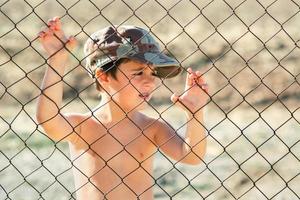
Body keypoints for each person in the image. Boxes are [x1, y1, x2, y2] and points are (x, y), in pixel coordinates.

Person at [36, 16, 209, 200]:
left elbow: (191, 156)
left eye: (153, 72)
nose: (149, 81)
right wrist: (57, 60)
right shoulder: (83, 126)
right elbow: (48, 120)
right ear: (103, 76)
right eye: (138, 72)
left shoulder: (152, 128)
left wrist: (195, 114)